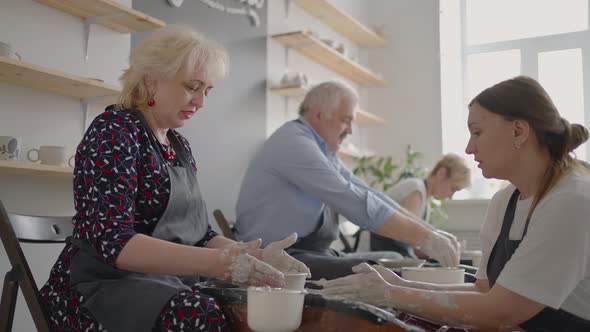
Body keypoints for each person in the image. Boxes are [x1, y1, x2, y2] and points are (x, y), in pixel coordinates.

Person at [39, 25, 309, 332]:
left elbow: (201, 235)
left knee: (250, 303)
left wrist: (250, 255)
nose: (201, 101)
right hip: (96, 290)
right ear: (152, 81)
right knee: (201, 315)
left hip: (158, 282)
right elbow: (114, 242)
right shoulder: (114, 131)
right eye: (192, 87)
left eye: (207, 90)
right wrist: (222, 264)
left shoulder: (179, 146)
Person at [321, 76, 590, 331]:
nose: (469, 148)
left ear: (518, 131)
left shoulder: (571, 200)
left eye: (477, 132)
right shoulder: (504, 201)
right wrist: (402, 285)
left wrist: (395, 294)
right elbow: (483, 291)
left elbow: (501, 311)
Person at [234, 81, 461, 280]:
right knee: (384, 273)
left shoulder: (323, 152)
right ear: (319, 114)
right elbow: (353, 201)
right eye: (346, 120)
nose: (350, 130)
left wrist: (432, 233)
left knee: (394, 259)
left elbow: (368, 194)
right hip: (276, 256)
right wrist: (425, 238)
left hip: (311, 253)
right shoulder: (293, 143)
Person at [371, 153, 471, 258]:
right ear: (441, 173)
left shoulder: (425, 200)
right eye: (453, 189)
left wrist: (445, 250)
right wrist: (439, 247)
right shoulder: (415, 189)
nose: (451, 196)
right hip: (376, 251)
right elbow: (406, 236)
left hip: (390, 251)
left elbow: (412, 247)